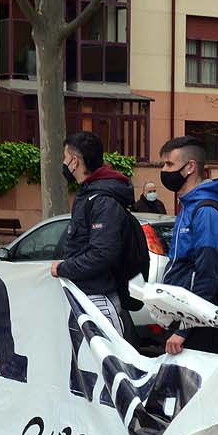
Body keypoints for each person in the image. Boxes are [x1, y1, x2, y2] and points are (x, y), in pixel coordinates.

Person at [149, 135, 218, 435]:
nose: (162, 172)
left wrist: (184, 327)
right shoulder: (193, 207)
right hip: (196, 323)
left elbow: (207, 277)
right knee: (199, 409)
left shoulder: (205, 212)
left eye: (168, 165)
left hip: (198, 326)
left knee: (180, 411)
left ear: (189, 167)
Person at [54, 131, 137, 334]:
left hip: (97, 297)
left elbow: (102, 253)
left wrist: (63, 268)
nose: (64, 164)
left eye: (65, 158)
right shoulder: (89, 194)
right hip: (87, 294)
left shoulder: (102, 200)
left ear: (75, 161)